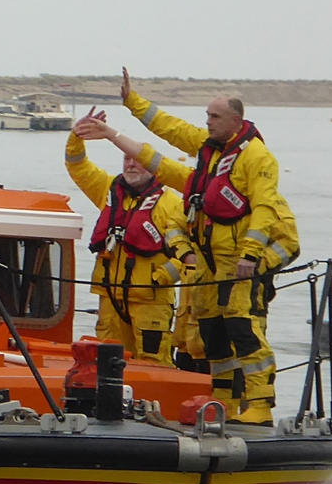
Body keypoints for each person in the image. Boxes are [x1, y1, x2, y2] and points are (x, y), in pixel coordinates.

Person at [109, 69, 294, 424]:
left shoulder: (257, 158)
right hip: (208, 266)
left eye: (214, 116)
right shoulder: (210, 151)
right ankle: (223, 400)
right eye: (207, 116)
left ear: (236, 120)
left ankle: (260, 405)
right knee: (214, 337)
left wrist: (252, 256)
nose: (207, 122)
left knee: (245, 332)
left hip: (237, 264)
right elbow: (171, 128)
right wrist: (133, 102)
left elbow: (265, 209)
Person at [68, 109, 195, 365]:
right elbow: (77, 166)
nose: (131, 164)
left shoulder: (172, 203)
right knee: (107, 364)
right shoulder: (107, 190)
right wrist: (76, 136)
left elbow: (193, 253)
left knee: (153, 364)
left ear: (152, 164)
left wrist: (158, 279)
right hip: (110, 302)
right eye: (126, 159)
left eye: (137, 159)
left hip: (151, 303)